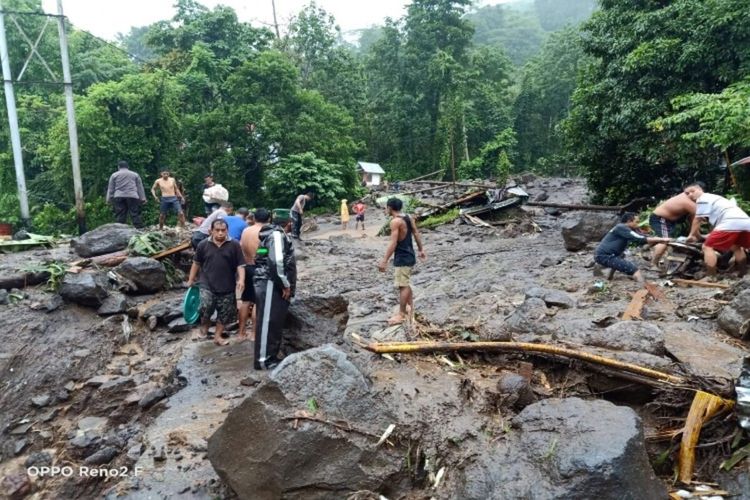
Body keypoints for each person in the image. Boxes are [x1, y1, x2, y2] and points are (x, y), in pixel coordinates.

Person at [186, 218, 245, 346]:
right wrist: (191, 280)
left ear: (227, 230)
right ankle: (204, 330)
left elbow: (240, 265)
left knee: (224, 313)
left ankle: (217, 336)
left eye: (223, 230)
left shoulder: (234, 245)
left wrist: (241, 279)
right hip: (206, 283)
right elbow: (196, 263)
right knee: (206, 307)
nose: (220, 233)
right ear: (211, 230)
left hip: (227, 285)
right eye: (217, 230)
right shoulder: (203, 244)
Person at [253, 212, 297, 369]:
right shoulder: (277, 235)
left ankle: (269, 356)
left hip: (268, 281)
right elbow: (275, 261)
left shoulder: (270, 235)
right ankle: (264, 360)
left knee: (272, 320)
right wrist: (285, 284)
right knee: (267, 321)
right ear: (289, 222)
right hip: (270, 282)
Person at [685, 182, 750, 277]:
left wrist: (691, 235)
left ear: (700, 190)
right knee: (736, 247)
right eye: (687, 193)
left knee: (707, 247)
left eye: (692, 191)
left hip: (730, 221)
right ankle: (743, 273)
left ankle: (711, 277)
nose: (690, 194)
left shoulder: (702, 198)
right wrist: (701, 235)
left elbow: (697, 218)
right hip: (745, 221)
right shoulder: (717, 199)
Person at [378, 197, 426, 325]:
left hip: (402, 257)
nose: (385, 210)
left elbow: (393, 243)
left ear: (390, 208)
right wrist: (421, 250)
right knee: (405, 282)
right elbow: (416, 233)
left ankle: (402, 314)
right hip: (410, 254)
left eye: (386, 208)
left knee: (402, 285)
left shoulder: (395, 222)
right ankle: (410, 308)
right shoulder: (408, 217)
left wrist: (384, 260)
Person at [595, 212, 670, 284]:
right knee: (634, 269)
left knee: (621, 256)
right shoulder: (621, 227)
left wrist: (656, 239)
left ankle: (609, 277)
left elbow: (642, 236)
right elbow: (639, 238)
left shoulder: (625, 228)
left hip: (607, 254)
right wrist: (662, 239)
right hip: (605, 256)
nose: (638, 224)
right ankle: (644, 286)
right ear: (629, 221)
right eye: (636, 222)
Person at [238, 208, 270, 342]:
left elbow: (240, 246)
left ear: (254, 218)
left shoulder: (246, 231)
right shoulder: (265, 232)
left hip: (247, 267)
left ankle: (241, 333)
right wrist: (262, 250)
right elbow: (263, 250)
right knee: (258, 302)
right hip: (260, 268)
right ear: (269, 219)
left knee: (245, 301)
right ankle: (253, 334)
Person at [648, 191, 696, 269]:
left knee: (666, 240)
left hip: (667, 221)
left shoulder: (688, 200)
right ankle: (653, 264)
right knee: (665, 241)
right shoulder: (687, 201)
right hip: (661, 219)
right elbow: (697, 218)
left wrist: (693, 233)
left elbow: (692, 219)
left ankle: (647, 244)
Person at [106, 161, 146, 228]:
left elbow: (111, 189)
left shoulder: (114, 175)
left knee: (120, 214)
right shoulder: (135, 174)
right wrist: (143, 198)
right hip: (132, 196)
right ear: (128, 167)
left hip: (119, 196)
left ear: (118, 167)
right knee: (134, 213)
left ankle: (120, 230)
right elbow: (140, 187)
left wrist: (109, 199)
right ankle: (139, 229)